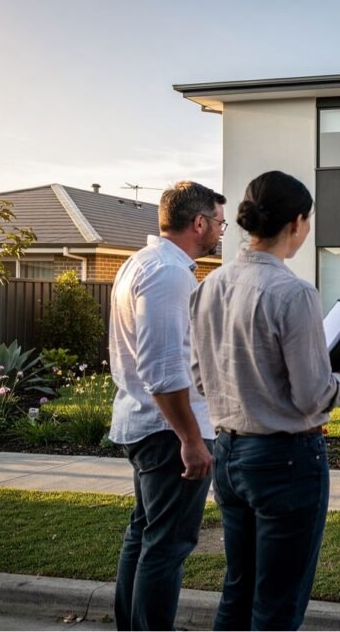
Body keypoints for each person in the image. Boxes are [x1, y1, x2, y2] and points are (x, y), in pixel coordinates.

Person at [189, 170, 340, 630]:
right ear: (296, 223)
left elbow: (200, 378)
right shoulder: (294, 292)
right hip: (286, 462)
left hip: (229, 455)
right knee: (277, 605)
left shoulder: (208, 287)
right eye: (308, 220)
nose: (308, 228)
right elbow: (313, 397)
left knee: (239, 591)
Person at [108, 181, 226, 630]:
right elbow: (162, 368)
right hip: (166, 433)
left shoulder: (141, 264)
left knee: (144, 536)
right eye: (218, 222)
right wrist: (191, 441)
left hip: (148, 426)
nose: (220, 231)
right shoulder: (168, 273)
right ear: (198, 223)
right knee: (167, 545)